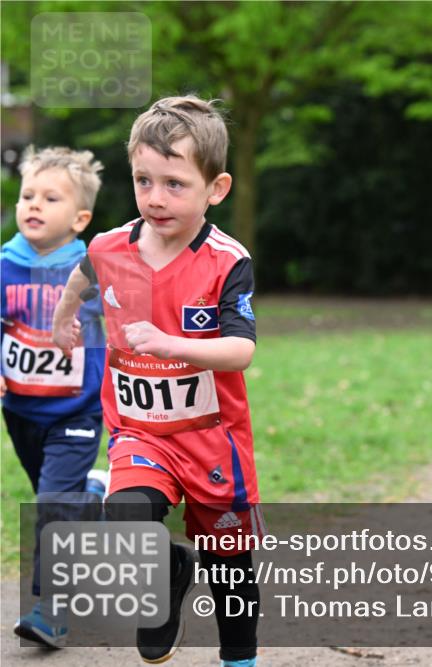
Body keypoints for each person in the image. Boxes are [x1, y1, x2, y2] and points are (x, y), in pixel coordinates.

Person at [52, 96, 262, 667]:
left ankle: (239, 659)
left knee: (229, 559)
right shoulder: (110, 246)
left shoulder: (225, 260)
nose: (155, 198)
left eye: (174, 184)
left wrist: (173, 345)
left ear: (215, 189)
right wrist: (64, 318)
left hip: (212, 437)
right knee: (125, 516)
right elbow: (82, 274)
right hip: (140, 432)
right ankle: (168, 576)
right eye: (144, 180)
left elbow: (241, 350)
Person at [2, 146, 108, 648]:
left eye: (50, 197)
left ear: (80, 217)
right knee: (58, 504)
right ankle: (91, 500)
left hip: (78, 412)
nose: (33, 205)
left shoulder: (95, 269)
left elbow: (130, 323)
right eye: (27, 196)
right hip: (21, 410)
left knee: (49, 505)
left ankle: (53, 609)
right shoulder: (4, 264)